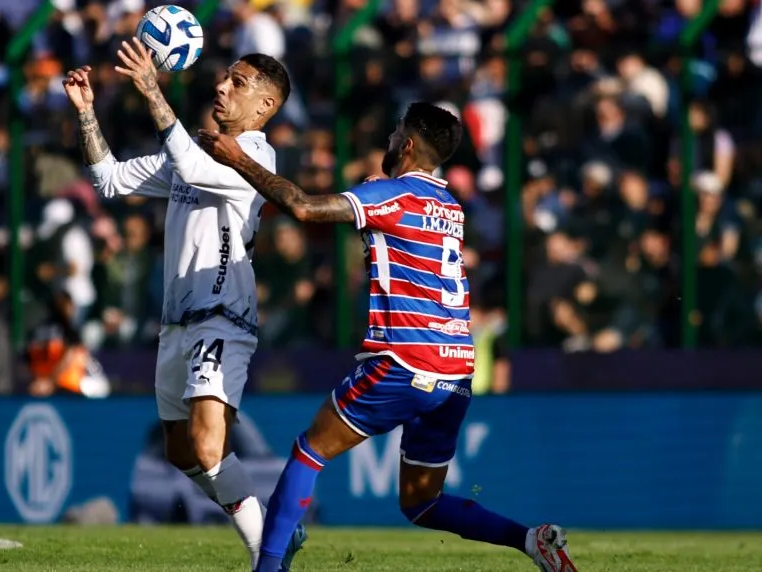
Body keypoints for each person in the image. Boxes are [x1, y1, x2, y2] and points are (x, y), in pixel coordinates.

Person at [197, 102, 578, 572]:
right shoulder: (451, 207)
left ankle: (268, 568)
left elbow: (302, 207)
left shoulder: (392, 195)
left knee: (308, 451)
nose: (390, 140)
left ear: (409, 144)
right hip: (456, 367)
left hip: (405, 361)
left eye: (396, 132)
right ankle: (530, 541)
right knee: (421, 502)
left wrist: (238, 158)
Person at [62, 41, 305, 570]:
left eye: (238, 83)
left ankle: (270, 555)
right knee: (180, 453)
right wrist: (86, 113)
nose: (221, 86)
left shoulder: (256, 157)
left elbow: (194, 170)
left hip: (224, 316)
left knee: (208, 446)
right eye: (224, 77)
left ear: (265, 106)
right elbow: (109, 180)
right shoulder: (192, 151)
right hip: (176, 325)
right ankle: (272, 528)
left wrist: (151, 88)